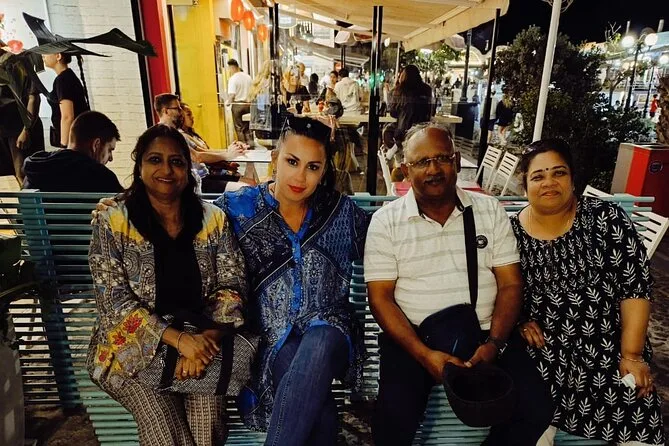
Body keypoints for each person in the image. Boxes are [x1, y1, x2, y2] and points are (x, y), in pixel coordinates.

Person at [364, 122, 554, 446]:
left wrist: (494, 343)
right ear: (406, 170)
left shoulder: (488, 211)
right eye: (422, 162)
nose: (433, 169)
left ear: (456, 161)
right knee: (392, 423)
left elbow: (510, 284)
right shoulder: (386, 222)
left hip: (485, 333)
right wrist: (424, 355)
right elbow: (380, 298)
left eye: (442, 158)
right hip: (414, 338)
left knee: (536, 408)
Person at [87, 124, 248, 445]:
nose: (166, 169)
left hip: (202, 343)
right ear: (139, 166)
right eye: (155, 160)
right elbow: (114, 302)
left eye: (176, 161)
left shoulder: (213, 220)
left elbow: (233, 285)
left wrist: (203, 344)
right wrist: (180, 341)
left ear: (188, 170)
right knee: (164, 427)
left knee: (207, 425)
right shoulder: (114, 221)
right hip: (129, 351)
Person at [215, 115, 370, 444]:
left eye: (313, 167)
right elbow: (191, 226)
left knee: (319, 344)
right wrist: (126, 207)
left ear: (323, 171)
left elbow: (387, 237)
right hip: (272, 334)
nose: (300, 176)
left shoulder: (340, 212)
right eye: (292, 161)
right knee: (320, 412)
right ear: (275, 159)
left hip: (331, 326)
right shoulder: (238, 209)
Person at [510, 139, 665, 446]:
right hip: (544, 351)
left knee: (637, 408)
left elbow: (635, 287)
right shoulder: (510, 234)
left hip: (608, 344)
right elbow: (501, 289)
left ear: (573, 178)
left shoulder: (606, 218)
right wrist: (519, 321)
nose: (549, 182)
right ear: (525, 185)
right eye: (538, 176)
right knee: (532, 422)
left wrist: (632, 355)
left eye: (559, 173)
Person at [23, 111, 122, 192]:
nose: (111, 158)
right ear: (96, 145)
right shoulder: (102, 178)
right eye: (110, 150)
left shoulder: (34, 169)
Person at [179, 103, 253, 193]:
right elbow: (200, 156)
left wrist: (231, 152)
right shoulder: (182, 136)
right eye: (189, 114)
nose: (192, 117)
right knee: (248, 187)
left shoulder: (192, 135)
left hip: (211, 173)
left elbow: (208, 151)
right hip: (204, 179)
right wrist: (227, 155)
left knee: (251, 182)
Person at [0, 45, 44, 184]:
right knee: (12, 176)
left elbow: (33, 97)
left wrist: (26, 129)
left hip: (19, 129)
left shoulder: (18, 61)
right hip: (4, 129)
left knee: (23, 174)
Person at [42, 52, 90, 148]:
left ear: (58, 56)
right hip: (77, 138)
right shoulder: (66, 76)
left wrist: (64, 146)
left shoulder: (63, 79)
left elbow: (67, 116)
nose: (43, 55)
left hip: (74, 141)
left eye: (47, 52)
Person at [387, 64, 435, 160]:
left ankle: (395, 150)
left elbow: (393, 113)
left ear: (403, 76)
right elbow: (432, 112)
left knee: (387, 130)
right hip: (423, 131)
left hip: (403, 132)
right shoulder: (427, 89)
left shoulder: (399, 90)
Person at [226, 59, 253, 144]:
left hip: (237, 105)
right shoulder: (248, 77)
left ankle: (243, 146)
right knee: (248, 128)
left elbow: (232, 95)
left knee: (239, 128)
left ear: (232, 67)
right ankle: (251, 146)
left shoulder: (233, 79)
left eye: (229, 69)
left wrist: (228, 103)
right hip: (248, 104)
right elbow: (253, 91)